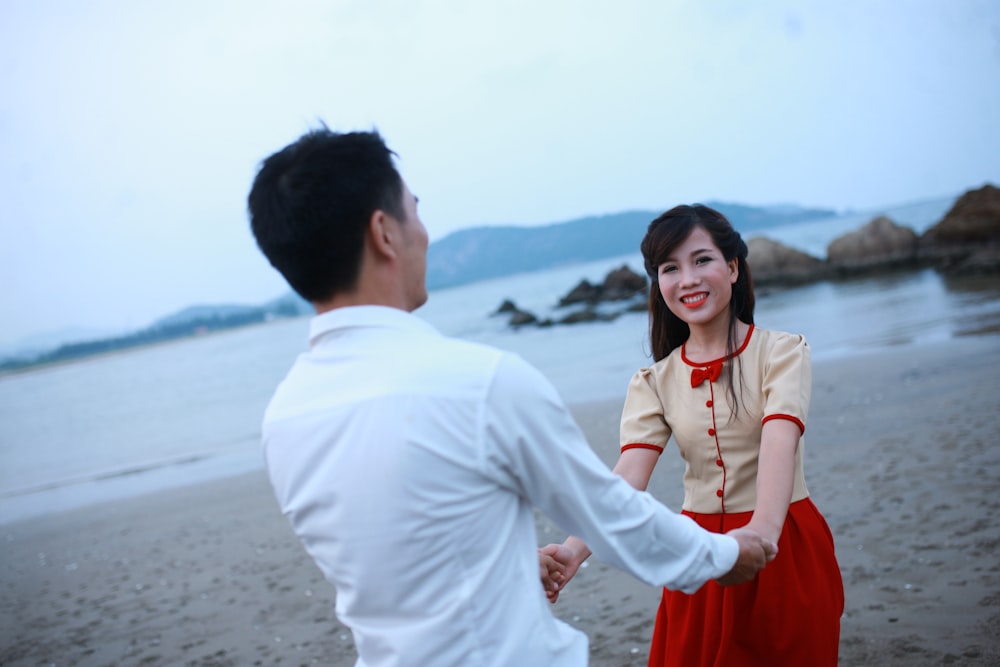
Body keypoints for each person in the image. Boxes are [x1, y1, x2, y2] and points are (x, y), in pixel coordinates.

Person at [246, 127, 777, 667]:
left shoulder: (283, 417)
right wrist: (725, 555)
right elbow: (609, 515)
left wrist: (506, 552)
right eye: (416, 211)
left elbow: (393, 548)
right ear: (384, 232)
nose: (425, 233)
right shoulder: (479, 383)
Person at [542, 204, 844, 665]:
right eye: (670, 268)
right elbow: (626, 477)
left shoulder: (782, 352)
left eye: (702, 260)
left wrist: (760, 536)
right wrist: (571, 551)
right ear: (657, 283)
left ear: (733, 266)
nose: (688, 279)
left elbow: (779, 443)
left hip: (783, 544)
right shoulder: (653, 381)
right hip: (699, 557)